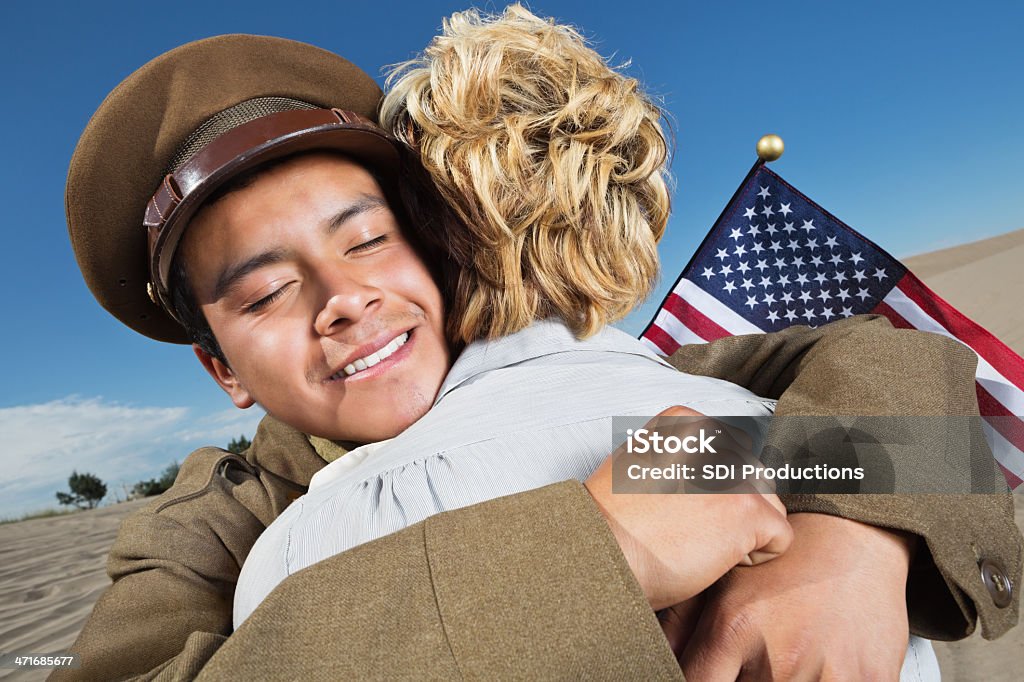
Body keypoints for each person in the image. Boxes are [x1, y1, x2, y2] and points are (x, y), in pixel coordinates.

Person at [54, 29, 1019, 682]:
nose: (344, 299)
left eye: (368, 241)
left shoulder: (607, 372)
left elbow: (886, 378)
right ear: (222, 370)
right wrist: (598, 552)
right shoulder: (209, 526)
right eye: (264, 293)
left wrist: (845, 540)